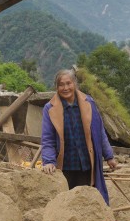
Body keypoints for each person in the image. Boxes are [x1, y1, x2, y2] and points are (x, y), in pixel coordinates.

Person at [40, 68, 118, 203]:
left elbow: (99, 132)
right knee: (66, 201)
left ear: (75, 83)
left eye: (68, 83)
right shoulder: (50, 108)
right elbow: (47, 138)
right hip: (65, 165)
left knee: (86, 200)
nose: (65, 88)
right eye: (61, 85)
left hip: (86, 163)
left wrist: (109, 156)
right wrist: (49, 161)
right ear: (56, 87)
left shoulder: (88, 102)